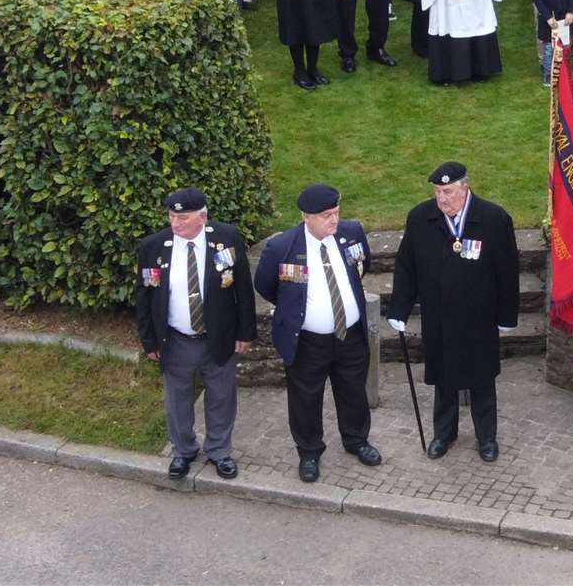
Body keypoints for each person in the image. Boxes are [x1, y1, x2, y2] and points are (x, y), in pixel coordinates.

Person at [387, 162, 521, 462]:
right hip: (439, 317)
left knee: (482, 380)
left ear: (464, 188)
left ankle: (486, 437)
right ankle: (443, 434)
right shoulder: (421, 218)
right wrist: (399, 308)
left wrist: (507, 316)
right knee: (443, 378)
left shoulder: (493, 219)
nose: (442, 199)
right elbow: (406, 266)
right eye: (437, 192)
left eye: (447, 192)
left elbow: (507, 271)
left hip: (479, 319)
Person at [254, 183, 379, 483]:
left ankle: (356, 440)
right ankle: (309, 452)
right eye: (326, 216)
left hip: (349, 334)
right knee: (305, 398)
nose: (334, 220)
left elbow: (363, 266)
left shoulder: (351, 234)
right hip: (308, 340)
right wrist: (295, 308)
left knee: (353, 390)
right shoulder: (282, 247)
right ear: (306, 217)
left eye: (336, 212)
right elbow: (265, 285)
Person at [135, 187, 257, 482]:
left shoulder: (226, 239)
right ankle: (184, 451)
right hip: (175, 339)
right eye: (172, 216)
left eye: (184, 217)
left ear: (202, 216)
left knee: (221, 397)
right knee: (177, 399)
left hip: (218, 336)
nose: (176, 224)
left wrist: (245, 331)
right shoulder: (153, 247)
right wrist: (149, 340)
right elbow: (144, 296)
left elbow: (242, 288)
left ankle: (219, 451)